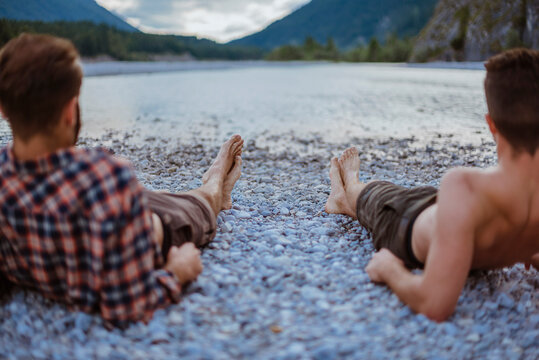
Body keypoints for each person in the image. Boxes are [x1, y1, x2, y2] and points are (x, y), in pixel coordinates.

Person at [0, 34, 243, 328]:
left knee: (144, 195)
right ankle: (215, 183)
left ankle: (177, 194)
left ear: (3, 109)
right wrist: (178, 272)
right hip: (155, 231)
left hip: (89, 209)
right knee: (200, 205)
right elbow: (128, 308)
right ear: (69, 110)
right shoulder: (108, 176)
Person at [325, 48, 539, 321]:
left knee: (376, 192)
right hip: (434, 212)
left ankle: (347, 194)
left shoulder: (465, 186)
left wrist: (388, 269)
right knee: (396, 193)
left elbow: (434, 304)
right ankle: (345, 192)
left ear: (491, 124)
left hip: (406, 220)